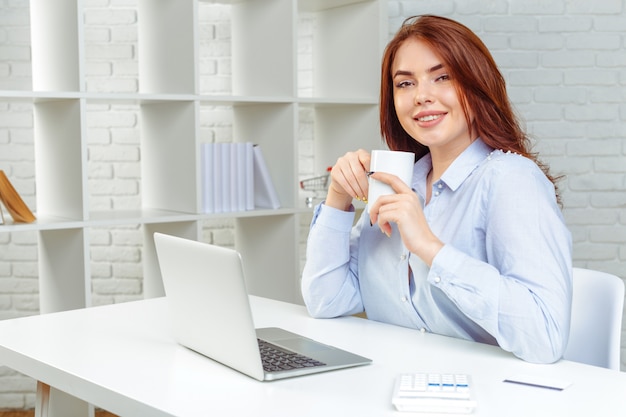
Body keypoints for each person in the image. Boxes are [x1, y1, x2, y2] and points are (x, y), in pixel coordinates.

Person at [301, 15, 572, 364]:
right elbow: (327, 300)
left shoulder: (511, 180)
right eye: (405, 84)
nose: (421, 97)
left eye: (442, 77)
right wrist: (338, 198)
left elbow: (545, 335)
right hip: (396, 384)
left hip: (490, 396)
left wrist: (430, 248)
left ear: (476, 85)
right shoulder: (397, 181)